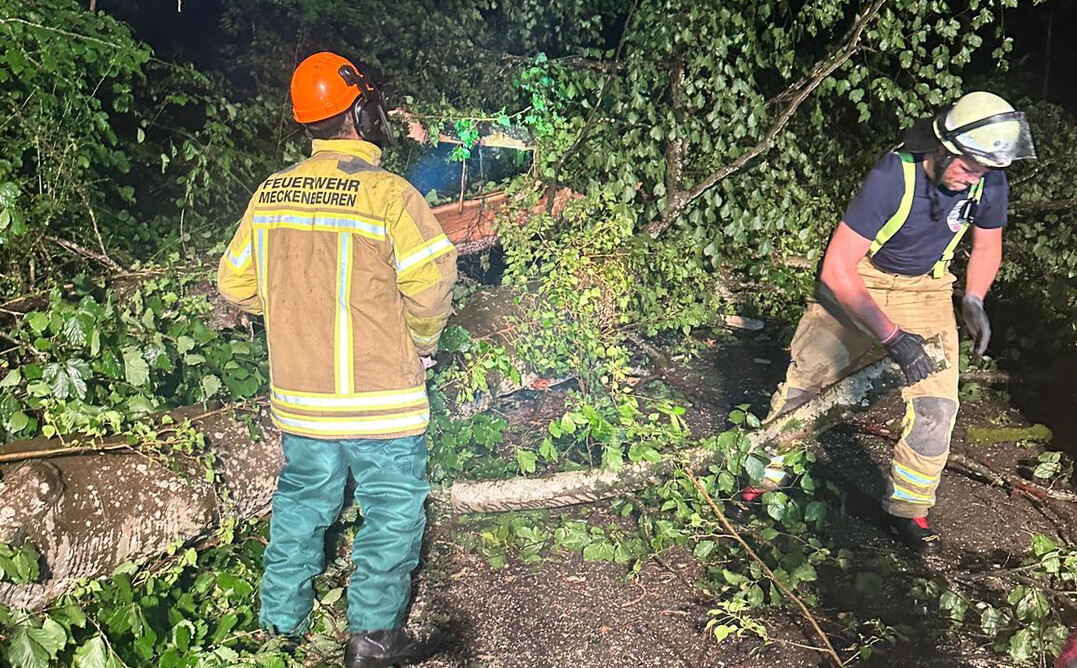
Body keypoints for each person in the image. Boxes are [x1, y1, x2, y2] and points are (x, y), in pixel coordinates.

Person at [217, 51, 457, 667]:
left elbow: (236, 285)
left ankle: (276, 633)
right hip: (382, 402)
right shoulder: (390, 196)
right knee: (393, 509)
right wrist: (423, 343)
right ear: (359, 110)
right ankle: (373, 641)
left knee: (301, 504)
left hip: (301, 401)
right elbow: (430, 282)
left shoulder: (272, 195)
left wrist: (294, 309)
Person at [763, 91, 1035, 553]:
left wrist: (973, 297)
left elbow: (988, 245)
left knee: (938, 404)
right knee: (809, 378)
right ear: (944, 147)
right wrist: (892, 337)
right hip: (859, 277)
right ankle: (763, 474)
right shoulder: (894, 175)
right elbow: (836, 269)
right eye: (970, 166)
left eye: (985, 170)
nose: (976, 178)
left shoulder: (987, 180)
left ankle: (908, 508)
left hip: (926, 288)